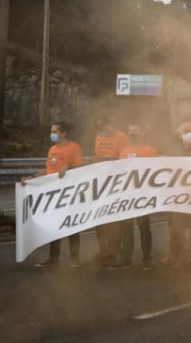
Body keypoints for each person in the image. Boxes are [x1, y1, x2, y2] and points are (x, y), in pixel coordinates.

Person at [31, 122, 85, 268]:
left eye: (55, 131)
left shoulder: (74, 147)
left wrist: (68, 167)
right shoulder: (52, 149)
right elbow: (49, 171)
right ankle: (53, 258)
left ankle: (75, 258)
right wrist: (33, 177)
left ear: (64, 133)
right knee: (54, 226)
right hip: (53, 193)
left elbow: (80, 168)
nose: (52, 134)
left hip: (69, 193)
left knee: (71, 225)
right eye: (52, 131)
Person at [164, 121, 191, 268]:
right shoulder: (172, 150)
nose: (189, 134)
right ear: (179, 134)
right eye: (186, 131)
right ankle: (175, 256)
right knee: (177, 228)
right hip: (178, 197)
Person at [114, 124, 158, 270]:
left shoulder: (150, 150)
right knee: (125, 228)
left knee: (144, 226)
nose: (132, 134)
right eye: (130, 131)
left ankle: (147, 258)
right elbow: (120, 170)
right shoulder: (125, 151)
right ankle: (126, 257)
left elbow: (156, 171)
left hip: (143, 196)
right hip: (127, 195)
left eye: (135, 131)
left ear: (142, 133)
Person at [92, 114, 130, 267]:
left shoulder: (121, 137)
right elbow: (98, 156)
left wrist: (106, 161)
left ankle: (115, 252)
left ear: (110, 124)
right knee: (99, 219)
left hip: (117, 182)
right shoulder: (98, 137)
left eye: (103, 127)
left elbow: (124, 159)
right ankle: (104, 251)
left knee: (115, 221)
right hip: (102, 181)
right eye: (98, 128)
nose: (101, 131)